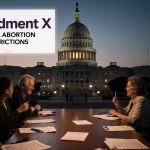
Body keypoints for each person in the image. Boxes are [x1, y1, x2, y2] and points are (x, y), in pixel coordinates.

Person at [0, 76, 29, 143]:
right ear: (6, 91)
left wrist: (20, 124)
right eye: (11, 87)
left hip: (9, 137)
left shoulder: (6, 102)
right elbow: (6, 125)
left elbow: (10, 120)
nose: (13, 89)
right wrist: (19, 110)